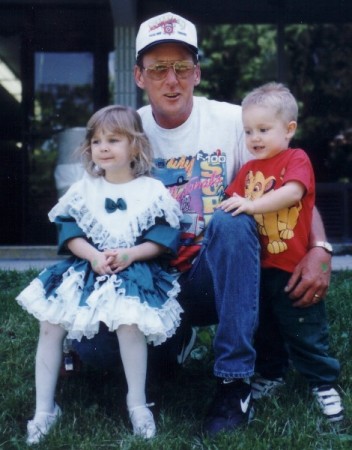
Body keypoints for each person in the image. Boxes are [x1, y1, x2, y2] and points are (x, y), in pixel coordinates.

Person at [73, 11, 333, 436]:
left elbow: (293, 186)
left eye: (180, 67)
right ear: (139, 75)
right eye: (158, 69)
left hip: (214, 276)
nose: (170, 80)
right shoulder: (122, 131)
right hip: (149, 282)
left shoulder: (236, 122)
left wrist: (320, 248)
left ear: (197, 73)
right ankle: (173, 342)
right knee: (97, 356)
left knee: (231, 223)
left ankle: (234, 382)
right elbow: (88, 215)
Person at [16, 105, 184, 444]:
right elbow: (69, 231)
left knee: (129, 321)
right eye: (96, 141)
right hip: (87, 269)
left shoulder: (150, 190)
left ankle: (137, 402)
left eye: (113, 140)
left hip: (131, 269)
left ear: (135, 146)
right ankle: (44, 410)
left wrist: (130, 253)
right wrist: (92, 254)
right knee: (50, 325)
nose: (103, 148)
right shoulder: (85, 188)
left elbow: (164, 237)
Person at [220, 82, 344, 423]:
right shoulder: (247, 171)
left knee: (304, 327)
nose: (254, 138)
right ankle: (271, 374)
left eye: (263, 129)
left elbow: (292, 194)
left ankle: (323, 382)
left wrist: (251, 203)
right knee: (266, 329)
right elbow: (230, 204)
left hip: (293, 269)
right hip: (259, 269)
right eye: (248, 131)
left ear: (289, 130)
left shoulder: (295, 159)